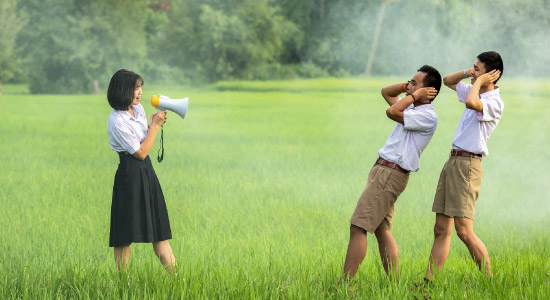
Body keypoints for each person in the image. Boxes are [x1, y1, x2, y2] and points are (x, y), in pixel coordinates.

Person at [344, 65, 442, 279]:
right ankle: (393, 284)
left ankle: (345, 285)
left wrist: (414, 95)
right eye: (409, 82)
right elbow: (386, 92)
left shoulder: (426, 116)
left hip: (389, 173)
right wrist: (408, 88)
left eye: (414, 83)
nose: (409, 86)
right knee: (382, 229)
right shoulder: (412, 108)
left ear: (428, 91)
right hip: (385, 171)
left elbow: (391, 111)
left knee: (358, 227)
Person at [424, 51, 503, 280]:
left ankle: (489, 281)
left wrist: (478, 81)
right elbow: (448, 81)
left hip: (468, 165)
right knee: (441, 229)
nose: (472, 72)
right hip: (453, 161)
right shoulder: (474, 88)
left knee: (464, 231)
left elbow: (471, 103)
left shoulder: (494, 102)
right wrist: (471, 74)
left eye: (477, 68)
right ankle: (429, 282)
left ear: (490, 76)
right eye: (473, 67)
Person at [106, 69, 176, 273]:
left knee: (159, 230)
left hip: (147, 172)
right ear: (122, 90)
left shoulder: (138, 110)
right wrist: (154, 127)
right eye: (135, 88)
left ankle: (178, 280)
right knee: (124, 232)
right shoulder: (117, 121)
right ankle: (122, 283)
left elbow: (145, 144)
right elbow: (141, 152)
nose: (140, 92)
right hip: (129, 174)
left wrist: (153, 124)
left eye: (140, 87)